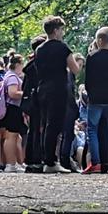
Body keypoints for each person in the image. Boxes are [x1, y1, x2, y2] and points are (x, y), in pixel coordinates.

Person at [30, 17, 79, 174]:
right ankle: (51, 161)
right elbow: (75, 69)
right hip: (58, 89)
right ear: (56, 30)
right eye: (61, 29)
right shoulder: (62, 48)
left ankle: (46, 158)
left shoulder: (39, 49)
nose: (63, 33)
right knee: (55, 125)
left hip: (43, 89)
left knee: (45, 124)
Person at [82, 27, 108, 174]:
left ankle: (95, 162)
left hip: (96, 99)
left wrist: (90, 94)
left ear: (99, 40)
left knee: (92, 130)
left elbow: (88, 80)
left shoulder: (91, 57)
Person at [0, 54, 26, 172]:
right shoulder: (12, 77)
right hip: (13, 108)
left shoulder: (8, 75)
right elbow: (12, 93)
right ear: (17, 64)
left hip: (10, 108)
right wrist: (25, 93)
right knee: (11, 136)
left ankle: (14, 163)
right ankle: (10, 164)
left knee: (14, 137)